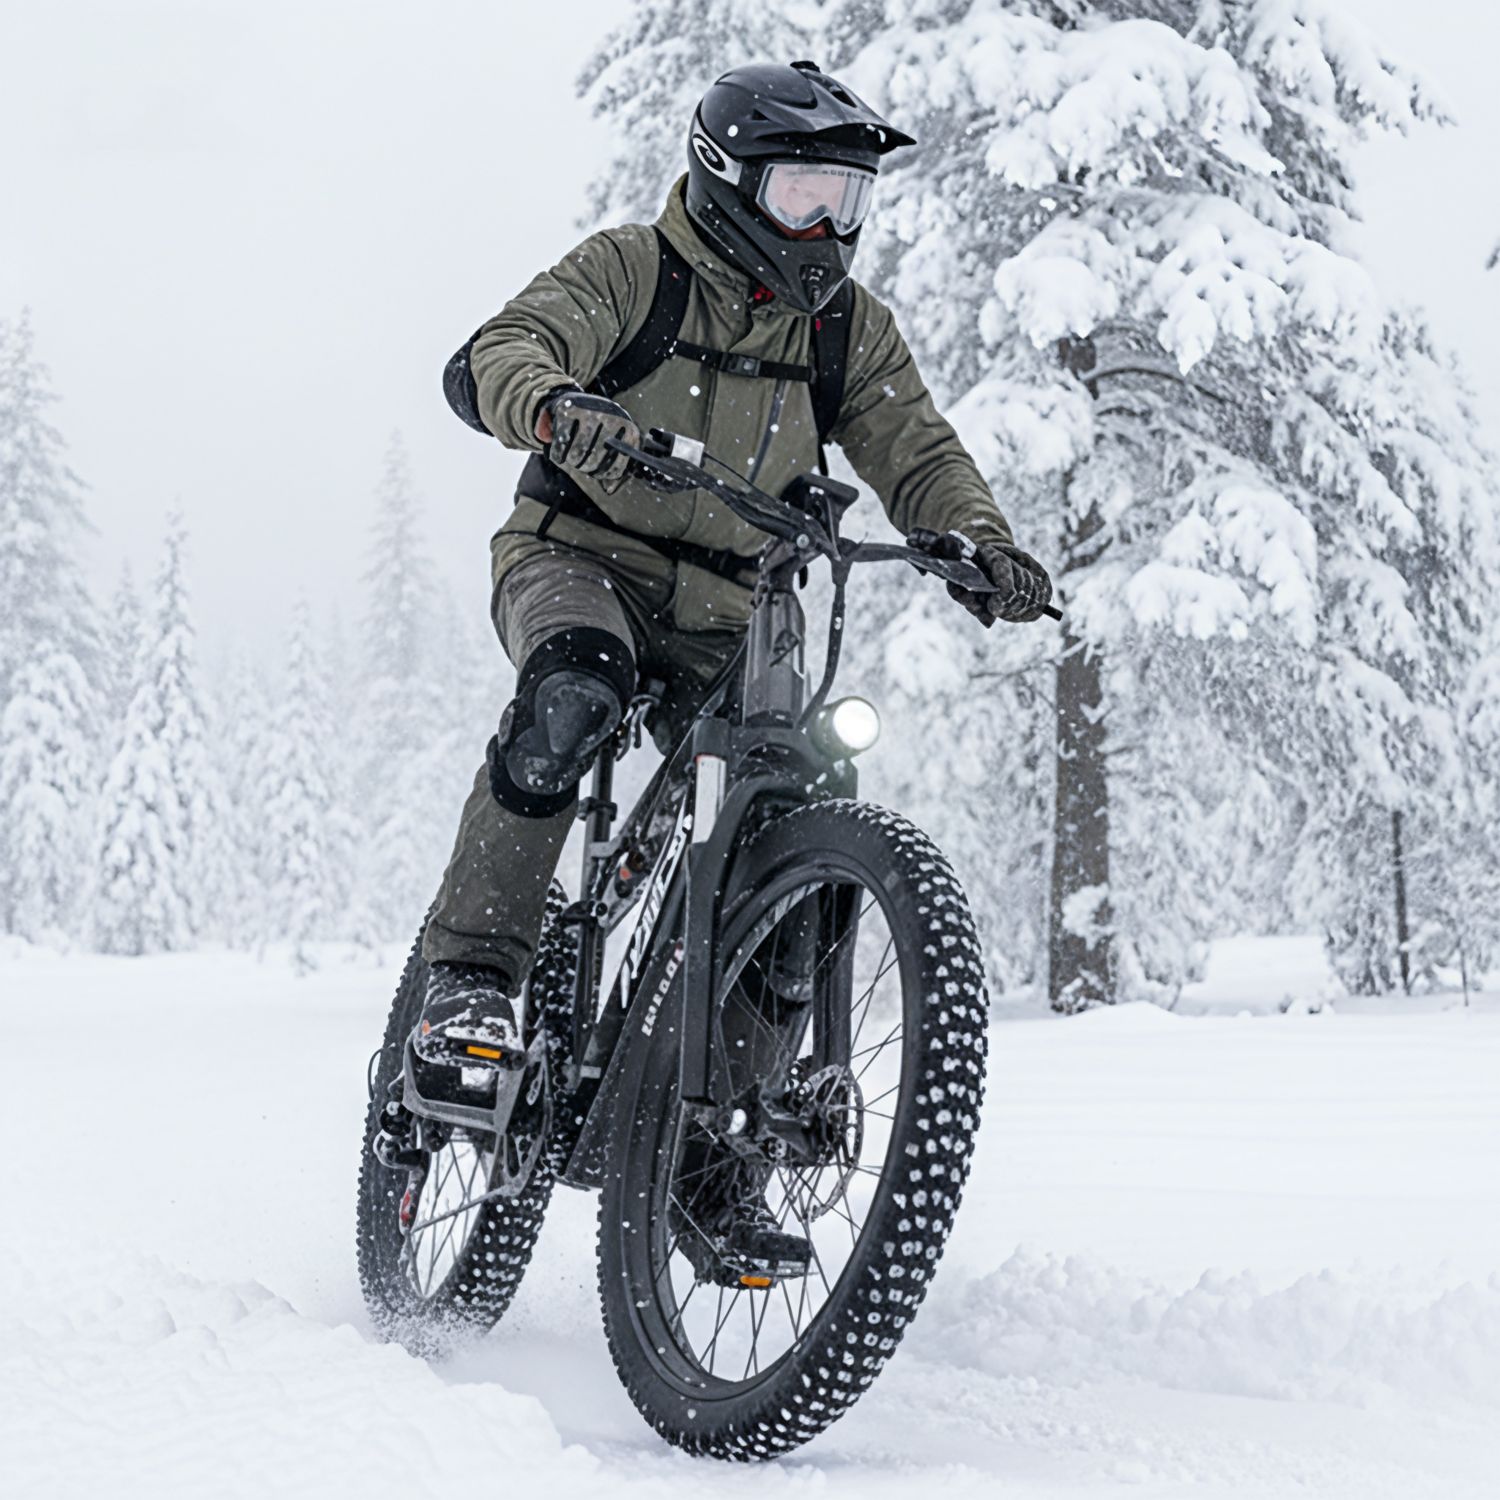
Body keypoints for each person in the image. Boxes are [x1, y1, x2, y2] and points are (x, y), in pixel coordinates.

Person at [411, 60, 1052, 1099]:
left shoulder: (847, 329)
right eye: (803, 196)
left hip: (736, 610)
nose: (827, 229)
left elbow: (917, 451)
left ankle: (724, 1121)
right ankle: (470, 980)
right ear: (727, 179)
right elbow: (509, 348)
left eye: (846, 202)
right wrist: (555, 407)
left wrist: (979, 541)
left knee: (798, 795)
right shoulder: (635, 271)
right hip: (579, 557)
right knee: (573, 693)